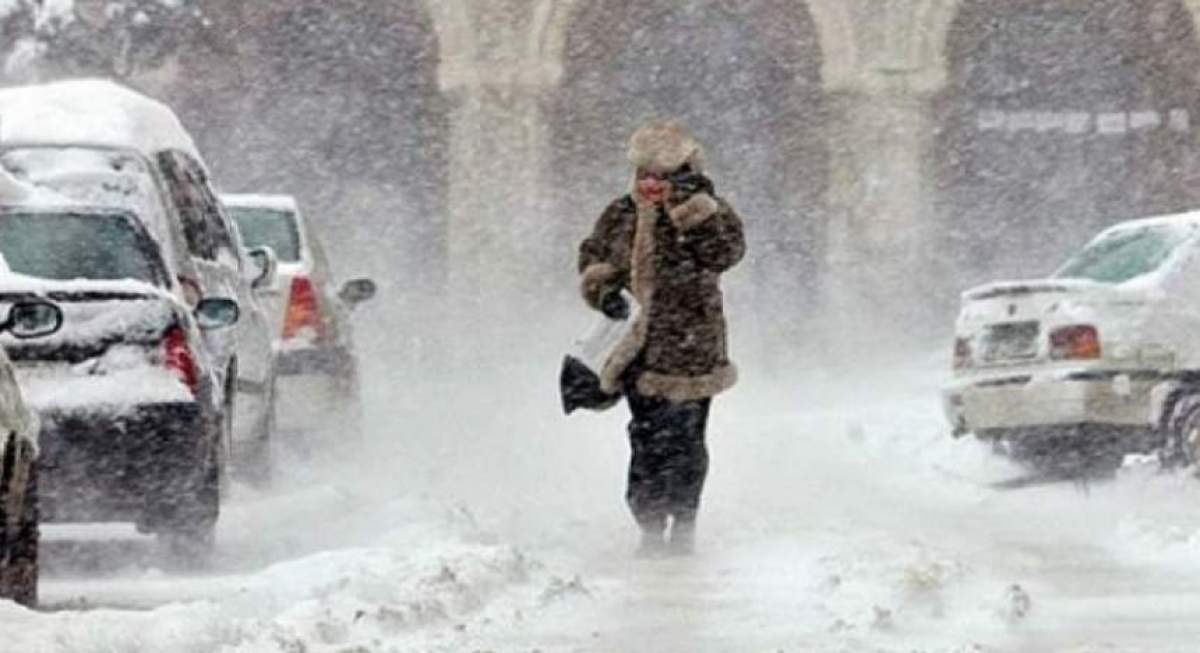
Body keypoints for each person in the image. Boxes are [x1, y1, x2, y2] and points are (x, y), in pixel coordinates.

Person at [576, 120, 745, 556]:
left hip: (691, 347)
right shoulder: (621, 214)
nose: (651, 184)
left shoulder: (707, 214)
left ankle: (684, 521)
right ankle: (650, 523)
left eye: (662, 176)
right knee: (646, 438)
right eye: (644, 175)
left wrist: (694, 209)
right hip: (638, 349)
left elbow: (725, 253)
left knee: (687, 441)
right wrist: (603, 289)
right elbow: (593, 255)